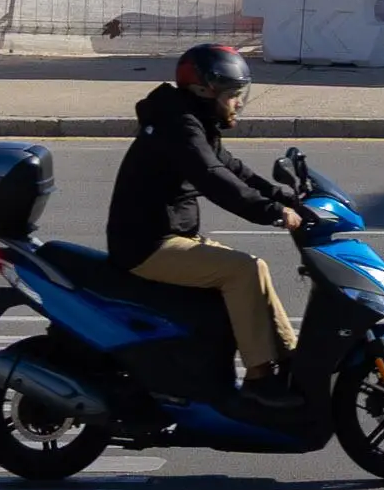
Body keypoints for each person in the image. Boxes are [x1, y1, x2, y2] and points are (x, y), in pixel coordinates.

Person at [107, 41, 300, 392]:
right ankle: (260, 377)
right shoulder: (178, 127)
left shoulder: (192, 119)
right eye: (232, 94)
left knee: (255, 269)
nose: (239, 102)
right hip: (147, 245)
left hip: (171, 236)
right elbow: (213, 178)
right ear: (203, 90)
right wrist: (271, 212)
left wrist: (287, 196)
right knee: (244, 270)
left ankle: (291, 359)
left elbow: (232, 168)